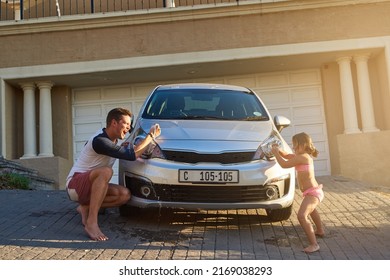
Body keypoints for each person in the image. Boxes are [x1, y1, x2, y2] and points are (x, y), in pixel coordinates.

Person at [65, 107, 161, 241]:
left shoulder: (113, 141)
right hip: (74, 185)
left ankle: (84, 207)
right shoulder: (100, 141)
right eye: (126, 124)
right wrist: (150, 136)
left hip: (89, 185)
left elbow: (127, 152)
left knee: (124, 195)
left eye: (129, 125)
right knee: (106, 171)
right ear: (114, 123)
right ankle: (91, 223)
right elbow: (132, 155)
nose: (128, 128)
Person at [271, 132, 324, 253]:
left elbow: (284, 164)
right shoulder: (300, 156)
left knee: (301, 216)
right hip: (311, 192)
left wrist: (275, 153)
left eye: (295, 145)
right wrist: (279, 150)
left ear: (303, 144)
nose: (293, 147)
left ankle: (314, 244)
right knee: (312, 211)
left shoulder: (304, 157)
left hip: (313, 193)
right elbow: (288, 156)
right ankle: (320, 230)